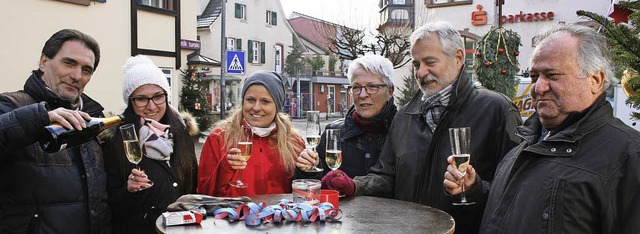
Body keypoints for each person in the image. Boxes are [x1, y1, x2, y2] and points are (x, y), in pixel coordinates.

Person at [322, 21, 522, 234]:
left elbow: (517, 191)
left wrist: (474, 189)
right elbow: (387, 176)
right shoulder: (406, 115)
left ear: (458, 58)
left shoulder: (496, 110)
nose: (421, 72)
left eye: (430, 62)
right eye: (416, 64)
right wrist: (356, 186)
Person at [444, 23, 640, 233]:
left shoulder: (628, 157)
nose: (538, 87)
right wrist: (473, 191)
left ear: (595, 80)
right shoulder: (525, 144)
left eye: (552, 75)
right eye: (534, 76)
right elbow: (510, 216)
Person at [0, 29, 110, 233]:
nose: (77, 76)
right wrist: (39, 117)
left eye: (86, 70)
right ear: (44, 62)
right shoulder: (11, 105)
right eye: (69, 63)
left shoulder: (93, 117)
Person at [101, 55, 199, 233]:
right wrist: (128, 190)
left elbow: (193, 187)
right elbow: (108, 201)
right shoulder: (118, 138)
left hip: (181, 228)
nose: (152, 106)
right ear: (130, 101)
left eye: (158, 96)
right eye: (141, 99)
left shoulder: (181, 133)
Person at [197, 71, 306, 196]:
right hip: (231, 215)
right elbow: (203, 193)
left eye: (265, 101)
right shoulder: (218, 138)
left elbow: (303, 194)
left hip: (279, 215)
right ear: (243, 102)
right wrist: (225, 169)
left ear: (277, 106)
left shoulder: (293, 141)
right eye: (250, 100)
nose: (256, 107)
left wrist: (308, 171)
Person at [295, 54, 397, 178]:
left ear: (390, 91)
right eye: (356, 87)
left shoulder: (405, 133)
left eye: (372, 87)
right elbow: (316, 186)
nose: (363, 94)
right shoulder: (333, 133)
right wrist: (306, 169)